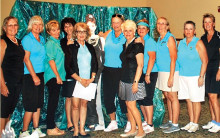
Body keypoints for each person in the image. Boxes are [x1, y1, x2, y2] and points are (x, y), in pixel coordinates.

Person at [178, 21, 208, 133]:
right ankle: (191, 122)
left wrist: (201, 76)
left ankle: (195, 123)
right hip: (183, 76)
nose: (188, 31)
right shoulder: (180, 43)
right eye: (186, 29)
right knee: (188, 100)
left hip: (196, 76)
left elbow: (205, 61)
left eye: (190, 29)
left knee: (196, 100)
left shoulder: (198, 42)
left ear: (194, 31)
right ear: (184, 30)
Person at [19, 15, 46, 138]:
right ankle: (24, 131)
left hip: (41, 73)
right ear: (31, 25)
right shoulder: (27, 39)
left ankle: (36, 129)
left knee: (38, 103)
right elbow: (26, 59)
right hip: (29, 75)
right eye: (35, 24)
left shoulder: (42, 39)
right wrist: (34, 76)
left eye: (40, 24)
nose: (38, 26)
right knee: (30, 104)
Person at [118, 20, 146, 138]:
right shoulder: (125, 44)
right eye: (125, 31)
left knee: (131, 105)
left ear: (134, 31)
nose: (128, 33)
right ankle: (133, 128)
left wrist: (135, 82)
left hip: (134, 79)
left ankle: (141, 130)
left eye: (130, 30)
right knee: (127, 104)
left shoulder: (137, 44)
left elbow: (140, 65)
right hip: (124, 78)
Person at [102, 13, 128, 132]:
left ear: (122, 23)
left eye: (118, 22)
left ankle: (129, 122)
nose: (115, 25)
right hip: (107, 69)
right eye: (113, 22)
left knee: (123, 97)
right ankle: (113, 122)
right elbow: (98, 37)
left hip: (121, 70)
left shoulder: (126, 34)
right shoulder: (108, 34)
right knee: (108, 96)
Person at [71, 22, 98, 137]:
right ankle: (76, 130)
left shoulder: (90, 47)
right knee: (75, 105)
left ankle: (82, 129)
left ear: (87, 33)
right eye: (79, 31)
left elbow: (95, 64)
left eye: (83, 32)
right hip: (76, 80)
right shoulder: (71, 47)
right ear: (75, 33)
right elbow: (68, 66)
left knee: (84, 105)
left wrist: (91, 78)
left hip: (88, 81)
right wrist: (80, 80)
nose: (81, 34)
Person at [0, 16, 25, 134]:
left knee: (9, 111)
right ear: (5, 28)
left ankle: (5, 134)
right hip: (6, 82)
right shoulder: (2, 42)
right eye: (10, 25)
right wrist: (2, 85)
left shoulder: (18, 41)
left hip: (17, 82)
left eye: (15, 25)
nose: (13, 27)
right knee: (2, 112)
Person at [156, 17, 180, 133]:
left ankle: (175, 124)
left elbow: (173, 58)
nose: (160, 26)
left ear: (167, 26)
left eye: (163, 24)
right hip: (162, 71)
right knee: (167, 96)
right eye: (158, 23)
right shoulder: (160, 39)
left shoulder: (170, 38)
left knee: (173, 97)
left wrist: (171, 76)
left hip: (171, 72)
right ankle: (170, 121)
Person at [136, 19, 158, 134]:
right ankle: (146, 120)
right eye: (139, 28)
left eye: (143, 28)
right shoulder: (139, 41)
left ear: (148, 30)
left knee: (148, 97)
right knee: (141, 98)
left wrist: (148, 74)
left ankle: (150, 124)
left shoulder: (150, 42)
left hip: (150, 73)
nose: (141, 30)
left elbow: (152, 58)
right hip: (141, 73)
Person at [44, 20, 66, 136]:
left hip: (57, 76)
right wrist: (57, 76)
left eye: (57, 29)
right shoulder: (50, 44)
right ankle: (50, 127)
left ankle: (52, 125)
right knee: (52, 102)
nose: (57, 32)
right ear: (48, 32)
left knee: (54, 101)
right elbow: (51, 60)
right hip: (53, 76)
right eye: (53, 30)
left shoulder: (56, 42)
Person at [85, 14, 105, 131]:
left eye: (92, 25)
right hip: (85, 73)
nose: (90, 28)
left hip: (98, 73)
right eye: (88, 25)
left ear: (95, 26)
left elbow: (103, 57)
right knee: (87, 98)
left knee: (96, 98)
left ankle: (100, 121)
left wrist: (99, 71)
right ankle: (90, 121)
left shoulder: (100, 39)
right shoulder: (82, 39)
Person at [201, 13, 220, 133]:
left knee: (213, 97)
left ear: (213, 23)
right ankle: (213, 121)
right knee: (210, 97)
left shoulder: (219, 36)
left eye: (209, 22)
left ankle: (218, 122)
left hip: (216, 69)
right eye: (205, 22)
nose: (207, 24)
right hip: (207, 69)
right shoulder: (203, 38)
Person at [60, 17, 76, 132]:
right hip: (68, 73)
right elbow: (66, 57)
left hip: (80, 73)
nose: (68, 28)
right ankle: (69, 123)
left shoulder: (79, 39)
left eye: (70, 25)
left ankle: (78, 121)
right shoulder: (62, 41)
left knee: (78, 99)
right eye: (65, 26)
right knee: (69, 98)